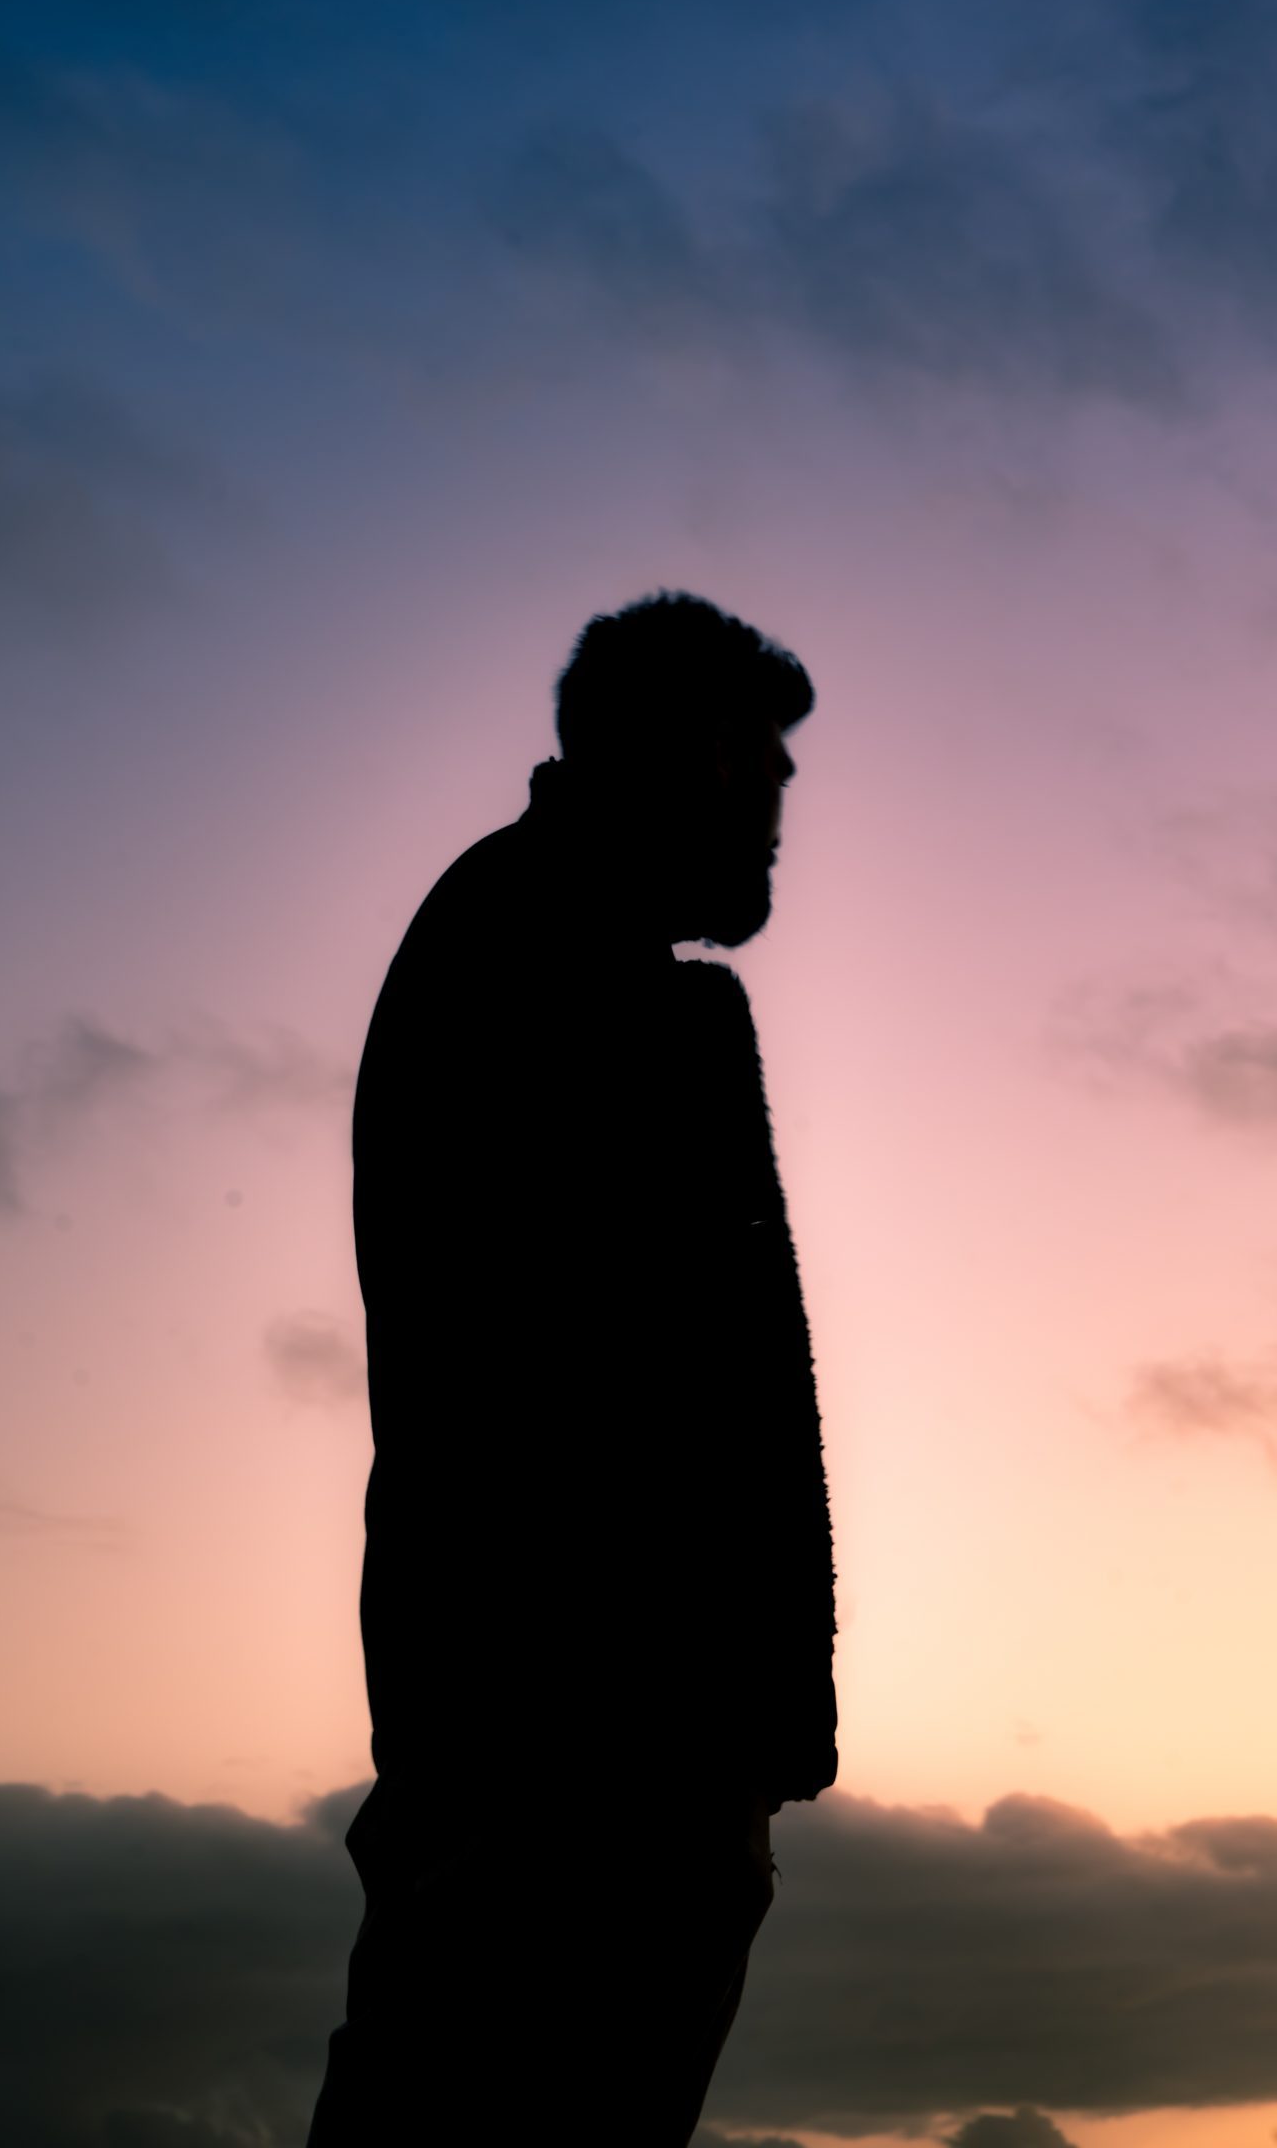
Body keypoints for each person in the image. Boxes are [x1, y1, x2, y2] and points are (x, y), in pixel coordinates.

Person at [306, 589, 838, 2145]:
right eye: (763, 753)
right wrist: (675, 1718)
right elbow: (590, 1370)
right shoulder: (538, 956)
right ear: (692, 746)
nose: (785, 794)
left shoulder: (565, 952)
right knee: (468, 2091)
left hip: (605, 1721)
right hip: (576, 1728)